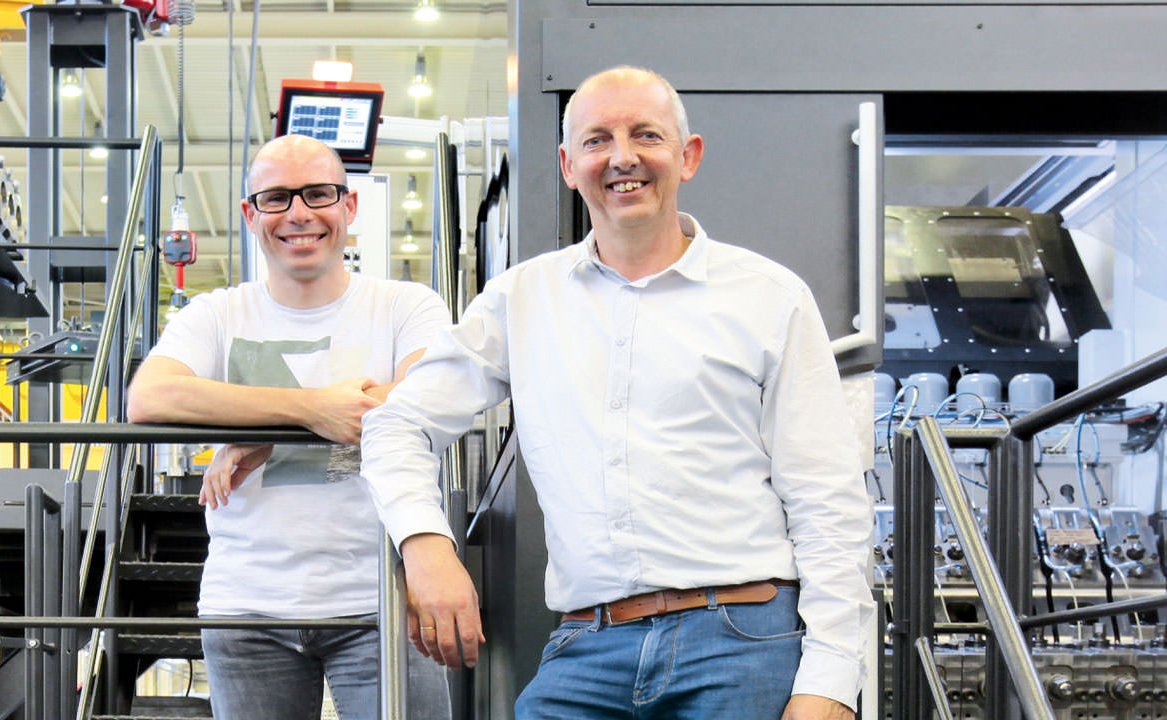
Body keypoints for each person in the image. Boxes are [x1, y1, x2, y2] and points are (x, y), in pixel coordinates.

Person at [359, 66, 873, 720]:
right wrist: (425, 544)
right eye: (598, 140)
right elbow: (396, 424)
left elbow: (827, 498)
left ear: (688, 157)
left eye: (646, 135)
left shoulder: (770, 297)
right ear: (569, 165)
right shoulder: (523, 300)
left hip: (744, 641)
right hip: (587, 645)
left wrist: (830, 680)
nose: (622, 157)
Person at [126, 134, 452, 720]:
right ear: (251, 215)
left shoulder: (407, 306)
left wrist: (252, 425)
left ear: (348, 207)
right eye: (276, 198)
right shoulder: (217, 312)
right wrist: (304, 412)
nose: (299, 214)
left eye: (318, 194)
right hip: (247, 607)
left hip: (380, 600)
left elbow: (426, 398)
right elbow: (150, 397)